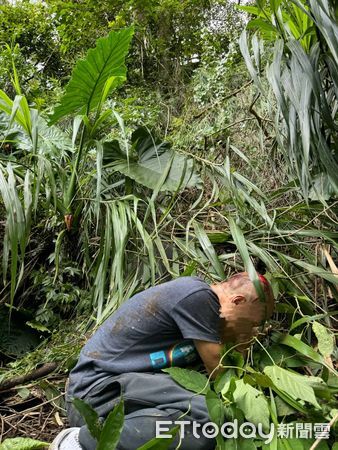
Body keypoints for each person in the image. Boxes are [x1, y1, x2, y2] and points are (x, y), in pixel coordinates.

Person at [51, 272, 274, 450]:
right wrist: (242, 342)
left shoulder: (203, 323)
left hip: (118, 403)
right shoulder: (198, 295)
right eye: (255, 321)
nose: (255, 328)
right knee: (209, 414)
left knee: (201, 422)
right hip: (95, 393)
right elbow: (221, 374)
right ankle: (78, 443)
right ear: (238, 301)